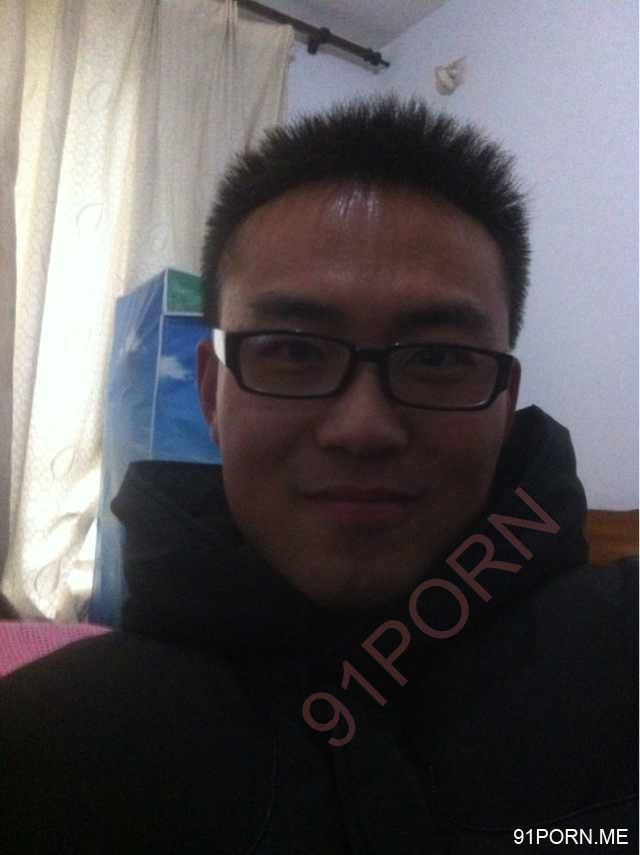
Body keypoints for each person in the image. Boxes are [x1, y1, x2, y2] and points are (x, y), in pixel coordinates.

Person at [1, 96, 636, 853]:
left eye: (438, 358)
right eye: (295, 351)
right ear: (211, 392)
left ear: (505, 401)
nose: (362, 428)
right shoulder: (45, 745)